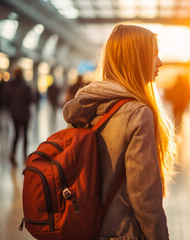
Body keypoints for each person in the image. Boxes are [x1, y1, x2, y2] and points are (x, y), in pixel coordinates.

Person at [62, 24, 177, 239]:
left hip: (84, 227)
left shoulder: (85, 106)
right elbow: (144, 197)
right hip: (122, 232)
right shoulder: (137, 113)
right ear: (136, 58)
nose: (160, 62)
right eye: (153, 54)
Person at [5, 67, 33, 166]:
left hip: (14, 114)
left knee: (16, 134)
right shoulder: (26, 86)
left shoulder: (9, 86)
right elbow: (30, 99)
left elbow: (6, 101)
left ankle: (12, 154)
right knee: (25, 135)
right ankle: (25, 155)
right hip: (25, 114)